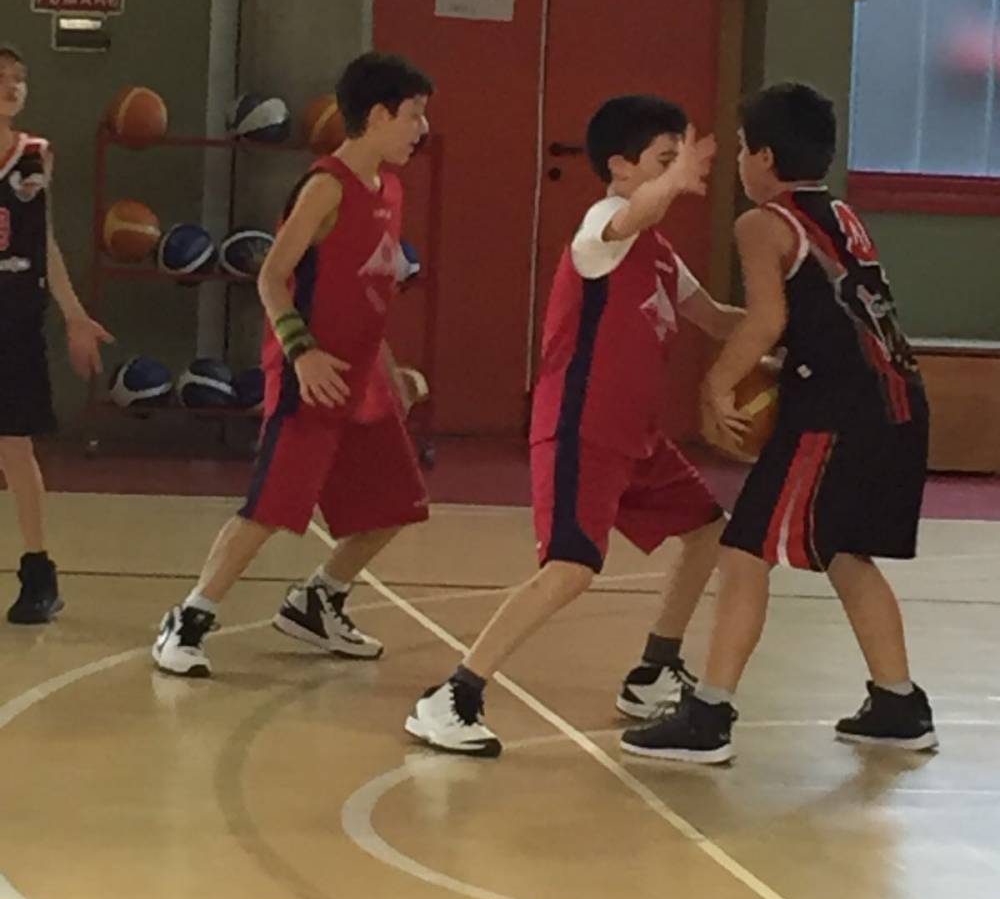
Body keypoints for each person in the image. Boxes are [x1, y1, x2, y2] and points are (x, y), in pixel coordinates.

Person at [407, 95, 742, 757]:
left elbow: (715, 317)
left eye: (680, 161)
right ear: (620, 167)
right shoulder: (602, 225)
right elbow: (631, 218)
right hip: (581, 428)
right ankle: (452, 695)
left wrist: (791, 331)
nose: (679, 174)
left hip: (637, 438)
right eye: (665, 160)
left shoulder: (660, 253)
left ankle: (653, 671)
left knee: (708, 531)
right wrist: (672, 184)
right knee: (570, 568)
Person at [622, 82, 936, 764]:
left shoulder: (762, 223)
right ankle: (899, 702)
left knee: (744, 552)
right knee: (845, 550)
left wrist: (716, 381)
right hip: (900, 400)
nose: (738, 160)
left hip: (837, 411)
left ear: (763, 156)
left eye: (740, 147)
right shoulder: (842, 215)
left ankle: (708, 714)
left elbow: (769, 317)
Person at [153, 52, 434, 677]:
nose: (422, 128)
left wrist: (387, 367)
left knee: (395, 504)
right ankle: (189, 617)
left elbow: (367, 291)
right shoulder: (326, 186)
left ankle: (317, 601)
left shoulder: (390, 188)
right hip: (308, 374)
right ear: (378, 115)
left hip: (362, 376)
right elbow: (272, 278)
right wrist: (301, 352)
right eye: (414, 115)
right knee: (271, 508)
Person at [0, 42, 112, 623]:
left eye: (20, 78)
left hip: (15, 312)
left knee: (14, 445)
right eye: (2, 76)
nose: (13, 86)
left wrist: (73, 314)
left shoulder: (35, 155)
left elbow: (44, 241)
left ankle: (39, 574)